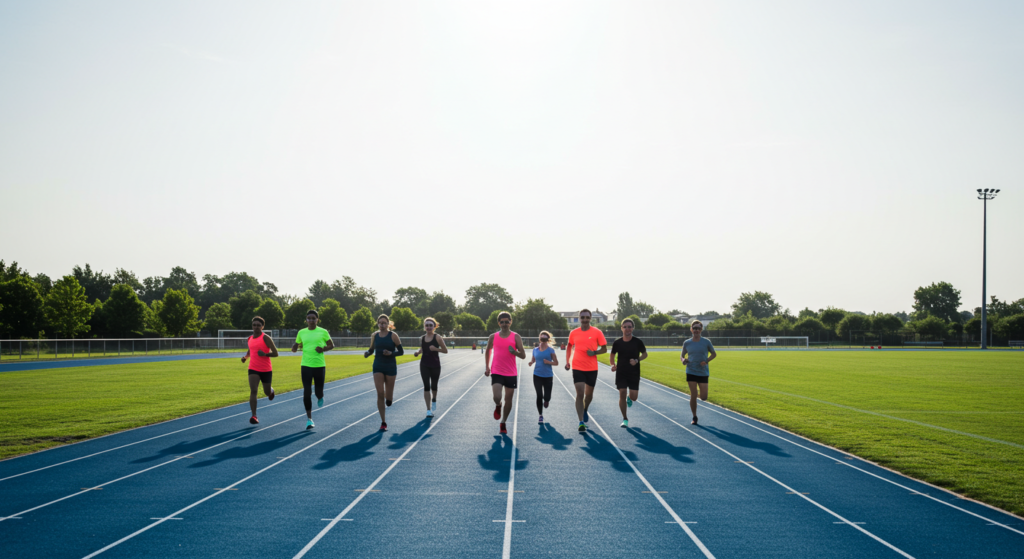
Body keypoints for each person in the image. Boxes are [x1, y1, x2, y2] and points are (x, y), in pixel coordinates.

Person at [564, 309, 607, 432]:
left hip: (592, 368)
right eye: (582, 317)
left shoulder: (597, 332)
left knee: (588, 395)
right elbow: (569, 346)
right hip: (577, 366)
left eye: (587, 317)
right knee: (579, 393)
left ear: (590, 318)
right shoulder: (573, 333)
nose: (585, 319)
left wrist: (594, 352)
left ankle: (585, 408)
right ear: (579, 318)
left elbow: (604, 349)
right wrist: (567, 361)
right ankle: (581, 421)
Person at [291, 310, 334, 429]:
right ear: (306, 320)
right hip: (305, 365)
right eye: (309, 318)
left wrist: (323, 349)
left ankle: (320, 396)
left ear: (317, 320)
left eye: (313, 318)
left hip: (319, 365)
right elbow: (297, 345)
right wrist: (294, 347)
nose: (311, 320)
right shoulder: (301, 332)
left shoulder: (323, 332)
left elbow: (331, 345)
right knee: (307, 391)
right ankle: (309, 419)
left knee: (318, 391)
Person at [484, 312, 526, 435]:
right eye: (502, 322)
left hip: (511, 372)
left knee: (509, 399)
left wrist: (515, 352)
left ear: (510, 322)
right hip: (497, 370)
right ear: (499, 323)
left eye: (507, 321)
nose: (504, 324)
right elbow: (488, 351)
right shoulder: (493, 336)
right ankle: (498, 405)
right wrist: (487, 367)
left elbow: (523, 355)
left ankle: (503, 422)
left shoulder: (516, 337)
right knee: (497, 397)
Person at [364, 314, 404, 431]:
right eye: (380, 323)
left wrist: (391, 353)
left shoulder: (393, 336)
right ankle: (383, 422)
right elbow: (371, 349)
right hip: (378, 365)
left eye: (384, 323)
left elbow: (401, 352)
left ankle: (389, 397)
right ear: (378, 324)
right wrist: (368, 353)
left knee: (389, 400)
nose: (382, 325)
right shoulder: (374, 336)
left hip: (390, 366)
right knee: (380, 393)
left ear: (388, 324)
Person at [240, 316, 279, 424]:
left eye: (258, 325)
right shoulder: (250, 338)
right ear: (252, 326)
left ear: (262, 326)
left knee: (266, 392)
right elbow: (250, 351)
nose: (256, 327)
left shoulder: (265, 338)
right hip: (253, 368)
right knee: (253, 391)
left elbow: (276, 353)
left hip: (266, 369)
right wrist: (245, 357)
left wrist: (265, 354)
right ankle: (254, 416)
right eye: (254, 325)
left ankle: (270, 391)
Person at [610, 318, 647, 428]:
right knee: (621, 392)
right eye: (625, 327)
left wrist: (636, 360)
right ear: (621, 328)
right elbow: (612, 356)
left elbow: (645, 354)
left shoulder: (638, 342)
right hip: (621, 372)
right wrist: (613, 365)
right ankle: (625, 418)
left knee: (634, 398)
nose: (627, 329)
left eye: (629, 327)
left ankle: (629, 397)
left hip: (634, 373)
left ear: (632, 328)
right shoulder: (617, 343)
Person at [681, 319, 716, 425]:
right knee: (693, 395)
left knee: (704, 397)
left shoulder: (706, 342)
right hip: (691, 371)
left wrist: (706, 361)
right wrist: (684, 360)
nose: (696, 330)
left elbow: (714, 354)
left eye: (698, 328)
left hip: (703, 372)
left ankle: (700, 392)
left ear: (701, 330)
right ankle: (694, 417)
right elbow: (682, 356)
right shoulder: (687, 343)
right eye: (694, 328)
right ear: (691, 329)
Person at [413, 317, 448, 417]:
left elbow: (445, 350)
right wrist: (417, 352)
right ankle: (428, 410)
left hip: (435, 365)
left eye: (430, 325)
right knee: (426, 386)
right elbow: (422, 349)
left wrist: (436, 349)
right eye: (426, 325)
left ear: (434, 326)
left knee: (434, 386)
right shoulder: (422, 338)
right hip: (424, 364)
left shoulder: (437, 337)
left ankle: (434, 399)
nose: (428, 327)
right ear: (424, 327)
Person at [527, 331, 558, 424]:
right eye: (541, 339)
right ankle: (540, 415)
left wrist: (549, 362)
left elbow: (556, 363)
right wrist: (531, 362)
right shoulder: (535, 350)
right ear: (539, 339)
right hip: (537, 375)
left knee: (547, 396)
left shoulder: (551, 350)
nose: (543, 341)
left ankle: (547, 400)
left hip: (548, 376)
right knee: (539, 395)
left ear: (548, 340)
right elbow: (533, 359)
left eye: (545, 339)